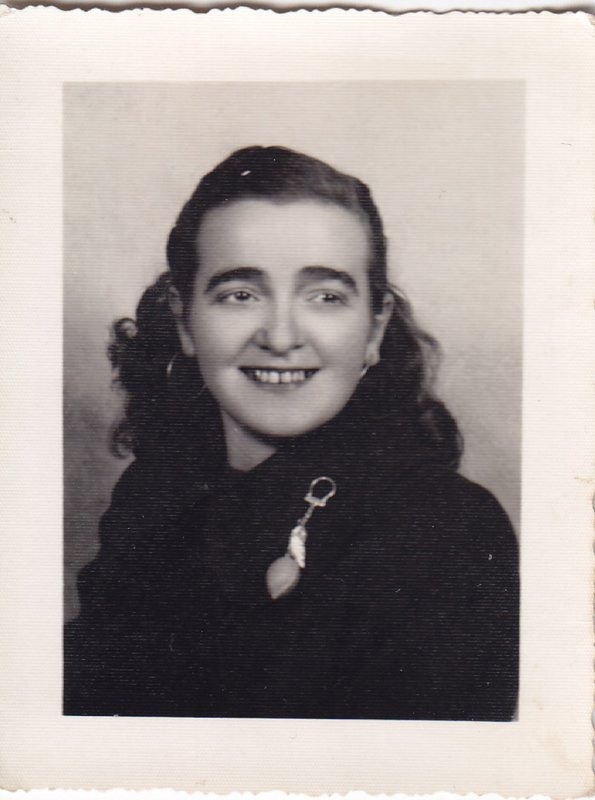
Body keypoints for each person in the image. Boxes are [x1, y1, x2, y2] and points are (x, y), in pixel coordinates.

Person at [64, 146, 519, 720]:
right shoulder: (151, 497)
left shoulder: (450, 533)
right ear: (185, 322)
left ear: (374, 329)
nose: (280, 338)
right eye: (241, 295)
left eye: (325, 297)